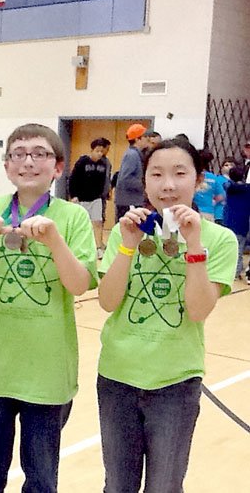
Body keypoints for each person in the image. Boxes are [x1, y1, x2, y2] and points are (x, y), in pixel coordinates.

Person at [0, 123, 98, 493]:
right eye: (18, 153)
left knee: (41, 477)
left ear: (58, 167)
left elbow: (80, 285)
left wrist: (54, 241)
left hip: (47, 374)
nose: (28, 161)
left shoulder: (72, 218)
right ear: (6, 166)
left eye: (39, 153)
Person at [97, 139, 237, 492]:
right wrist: (128, 244)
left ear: (199, 179)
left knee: (165, 486)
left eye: (179, 174)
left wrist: (193, 245)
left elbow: (198, 309)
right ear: (144, 182)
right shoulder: (125, 231)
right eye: (156, 174)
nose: (168, 185)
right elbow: (108, 301)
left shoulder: (219, 240)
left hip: (175, 383)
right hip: (117, 377)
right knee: (117, 485)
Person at [69, 137, 111, 258]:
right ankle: (78, 247)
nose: (99, 154)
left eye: (102, 152)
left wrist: (105, 194)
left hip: (96, 198)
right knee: (81, 224)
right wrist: (73, 195)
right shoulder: (82, 162)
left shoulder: (104, 163)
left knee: (97, 222)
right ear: (92, 150)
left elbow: (104, 181)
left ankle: (98, 248)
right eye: (97, 151)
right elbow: (73, 179)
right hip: (81, 199)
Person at [114, 123, 150, 221]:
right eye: (145, 136)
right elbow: (125, 179)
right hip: (128, 202)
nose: (148, 139)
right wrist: (145, 186)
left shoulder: (136, 154)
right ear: (137, 139)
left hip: (131, 200)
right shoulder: (132, 155)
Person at [223, 165, 250, 281]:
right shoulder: (247, 189)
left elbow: (227, 185)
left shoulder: (229, 187)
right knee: (239, 248)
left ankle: (234, 271)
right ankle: (238, 270)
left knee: (231, 248)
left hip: (229, 221)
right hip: (243, 222)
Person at [193, 149, 224, 221]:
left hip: (193, 210)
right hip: (208, 212)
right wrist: (213, 202)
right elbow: (221, 196)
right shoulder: (213, 178)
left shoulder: (194, 176)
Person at [214, 158, 235, 225]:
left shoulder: (235, 182)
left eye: (231, 165)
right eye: (226, 165)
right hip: (219, 214)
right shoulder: (217, 179)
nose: (228, 167)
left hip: (231, 215)